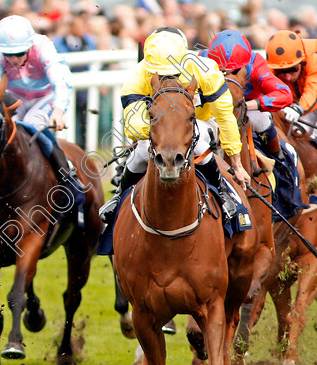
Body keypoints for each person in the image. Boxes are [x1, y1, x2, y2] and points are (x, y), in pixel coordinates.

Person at [99, 27, 250, 224]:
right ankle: (119, 196)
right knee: (142, 150)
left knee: (197, 139)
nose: (167, 78)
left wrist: (236, 163)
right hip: (159, 127)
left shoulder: (206, 70)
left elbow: (225, 116)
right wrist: (164, 130)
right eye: (160, 74)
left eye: (172, 73)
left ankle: (222, 192)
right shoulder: (138, 74)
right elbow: (134, 126)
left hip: (201, 122)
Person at [0, 15, 84, 197]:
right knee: (6, 131)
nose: (14, 60)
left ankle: (68, 176)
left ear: (29, 46)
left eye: (19, 53)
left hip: (45, 96)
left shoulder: (43, 47)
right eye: (9, 55)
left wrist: (58, 110)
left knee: (32, 126)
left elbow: (59, 80)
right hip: (15, 97)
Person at [204, 30, 294, 162]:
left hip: (248, 108)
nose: (228, 77)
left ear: (245, 65)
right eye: (222, 72)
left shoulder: (256, 63)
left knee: (261, 120)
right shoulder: (203, 59)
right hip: (213, 110)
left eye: (234, 72)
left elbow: (285, 94)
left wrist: (247, 105)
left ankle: (279, 160)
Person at [265, 30, 317, 147]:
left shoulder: (313, 59)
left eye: (292, 69)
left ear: (302, 61)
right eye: (281, 72)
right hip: (305, 105)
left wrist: (298, 109)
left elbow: (313, 91)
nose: (287, 77)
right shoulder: (271, 66)